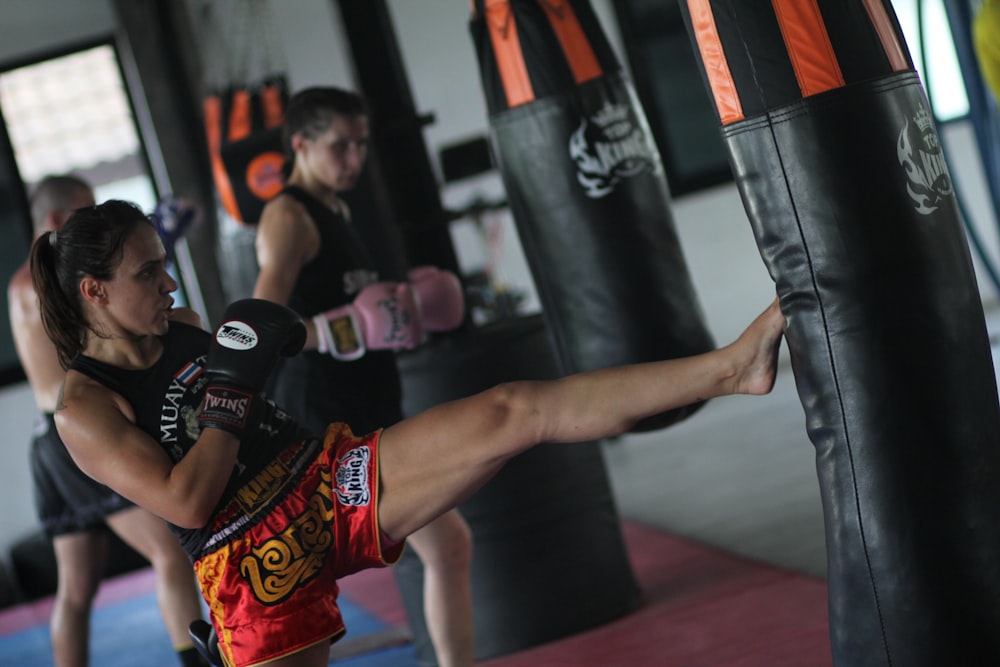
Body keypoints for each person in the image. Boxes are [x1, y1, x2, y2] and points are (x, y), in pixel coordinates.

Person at [30, 198, 785, 667]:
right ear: (94, 291)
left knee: (512, 407)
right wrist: (230, 390)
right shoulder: (83, 407)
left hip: (325, 478)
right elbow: (187, 503)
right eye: (148, 272)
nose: (169, 284)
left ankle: (730, 367)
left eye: (165, 266)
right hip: (249, 562)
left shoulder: (189, 326)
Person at [252, 86, 473, 667]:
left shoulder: (338, 208)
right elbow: (259, 324)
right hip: (324, 422)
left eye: (360, 145)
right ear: (300, 144)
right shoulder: (289, 217)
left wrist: (407, 305)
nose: (353, 159)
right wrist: (339, 330)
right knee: (313, 584)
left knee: (446, 546)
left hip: (369, 410)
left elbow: (363, 313)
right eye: (339, 146)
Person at [8, 177, 207, 667]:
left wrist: (147, 261)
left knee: (75, 591)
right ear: (57, 222)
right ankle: (194, 661)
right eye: (84, 213)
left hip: (47, 442)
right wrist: (139, 263)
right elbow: (108, 332)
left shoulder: (20, 283)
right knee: (170, 553)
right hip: (86, 432)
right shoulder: (52, 285)